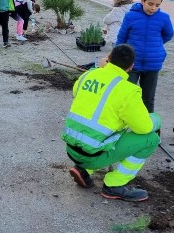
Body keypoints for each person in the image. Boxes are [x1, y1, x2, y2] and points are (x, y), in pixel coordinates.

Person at [62, 44, 161, 202]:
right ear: (131, 67)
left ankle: (84, 169)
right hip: (92, 154)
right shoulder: (128, 90)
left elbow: (76, 92)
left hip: (71, 149)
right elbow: (144, 128)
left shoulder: (89, 75)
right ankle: (114, 185)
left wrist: (99, 69)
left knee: (103, 130)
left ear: (107, 59)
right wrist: (156, 119)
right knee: (151, 139)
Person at [116, 0, 173, 114]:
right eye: (150, 4)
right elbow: (122, 37)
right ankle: (123, 124)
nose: (153, 8)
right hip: (131, 64)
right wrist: (116, 58)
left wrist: (156, 45)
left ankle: (149, 128)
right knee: (126, 96)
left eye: (157, 5)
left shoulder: (164, 18)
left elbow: (168, 35)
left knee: (148, 98)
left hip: (152, 64)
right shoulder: (130, 16)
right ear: (142, 1)